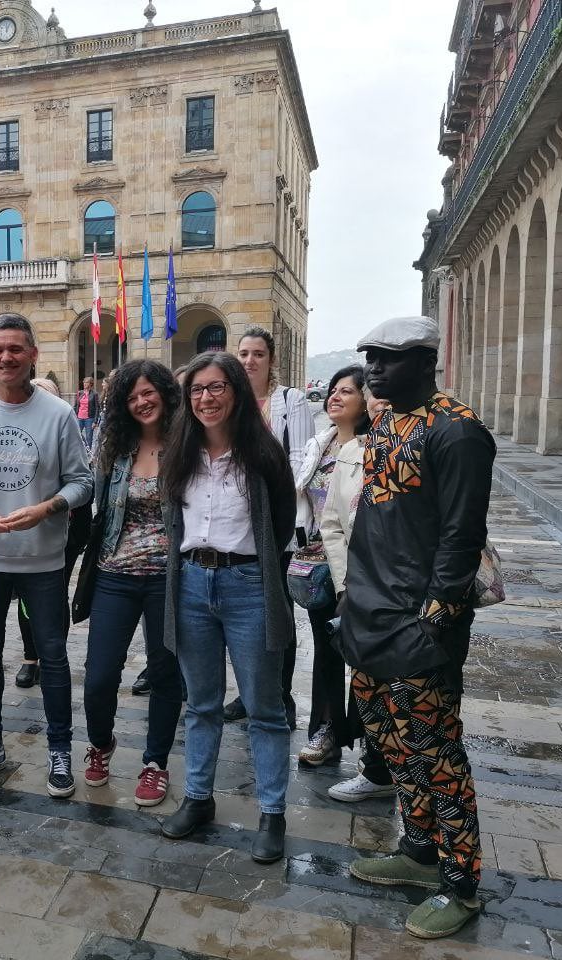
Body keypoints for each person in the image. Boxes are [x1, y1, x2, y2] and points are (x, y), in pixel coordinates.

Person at [341, 316, 494, 940]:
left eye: (389, 357)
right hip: (369, 615)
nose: (375, 368)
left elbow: (462, 535)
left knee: (437, 754)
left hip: (418, 624)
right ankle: (419, 849)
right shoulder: (384, 424)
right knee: (393, 747)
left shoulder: (457, 431)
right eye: (370, 356)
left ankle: (461, 882)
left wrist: (437, 615)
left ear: (426, 360)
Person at [0, 314, 93, 798]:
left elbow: (84, 482)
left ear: (32, 354)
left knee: (52, 657)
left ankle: (60, 750)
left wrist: (49, 507)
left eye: (15, 348)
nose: (5, 357)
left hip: (43, 561)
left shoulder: (58, 414)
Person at [158, 351, 295, 863]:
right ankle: (198, 799)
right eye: (196, 390)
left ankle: (272, 813)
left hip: (247, 584)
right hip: (191, 583)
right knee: (201, 705)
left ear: (236, 391)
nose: (206, 398)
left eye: (216, 388)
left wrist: (253, 571)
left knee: (264, 707)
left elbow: (279, 525)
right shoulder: (181, 453)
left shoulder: (262, 455)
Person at [77, 359, 184, 808]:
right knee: (99, 676)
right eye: (132, 396)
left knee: (165, 673)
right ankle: (101, 743)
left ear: (163, 393)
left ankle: (155, 762)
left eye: (148, 392)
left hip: (169, 579)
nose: (141, 402)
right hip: (114, 576)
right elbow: (92, 503)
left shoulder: (186, 447)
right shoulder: (114, 449)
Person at [224, 327, 312, 728]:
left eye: (258, 353)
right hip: (238, 527)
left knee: (278, 613)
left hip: (277, 524)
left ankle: (281, 696)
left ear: (271, 359)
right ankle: (249, 691)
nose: (249, 361)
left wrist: (269, 502)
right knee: (247, 614)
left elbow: (301, 464)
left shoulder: (290, 401)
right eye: (243, 353)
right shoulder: (231, 401)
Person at [294, 366, 372, 767]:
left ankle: (371, 742)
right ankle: (326, 729)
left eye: (347, 391)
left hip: (361, 566)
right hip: (319, 565)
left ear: (365, 401)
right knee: (327, 650)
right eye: (334, 390)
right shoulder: (319, 445)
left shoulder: (372, 448)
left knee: (366, 654)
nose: (335, 397)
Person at [324, 392, 398, 804]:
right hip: (361, 588)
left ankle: (422, 788)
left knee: (414, 694)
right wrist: (345, 584)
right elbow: (332, 522)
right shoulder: (352, 451)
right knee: (368, 684)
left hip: (414, 594)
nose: (381, 400)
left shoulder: (436, 440)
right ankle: (377, 770)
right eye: (375, 391)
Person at [12, 377, 92, 690]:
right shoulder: (17, 443)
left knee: (56, 596)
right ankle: (30, 657)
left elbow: (85, 488)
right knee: (26, 601)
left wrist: (78, 538)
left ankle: (52, 655)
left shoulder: (68, 434)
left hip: (64, 536)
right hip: (24, 536)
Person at [73, 376, 100, 448]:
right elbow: (75, 406)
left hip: (89, 418)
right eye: (84, 382)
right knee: (76, 435)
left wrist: (95, 421)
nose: (84, 384)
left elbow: (97, 408)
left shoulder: (94, 394)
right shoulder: (79, 393)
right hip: (79, 418)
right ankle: (79, 449)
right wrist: (74, 416)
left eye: (86, 382)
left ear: (90, 384)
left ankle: (88, 453)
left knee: (89, 437)